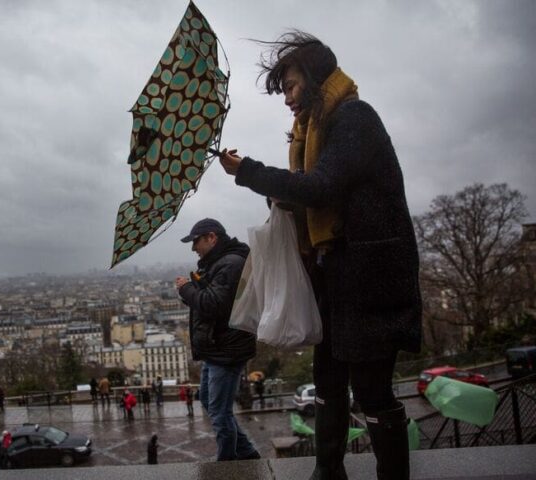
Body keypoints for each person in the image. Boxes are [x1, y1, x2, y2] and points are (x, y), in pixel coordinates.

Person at [218, 31, 421, 480]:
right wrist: (275, 196)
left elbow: (322, 187)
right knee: (328, 379)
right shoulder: (314, 130)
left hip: (372, 276)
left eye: (290, 86)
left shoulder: (353, 118)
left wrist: (249, 172)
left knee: (371, 390)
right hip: (338, 273)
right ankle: (328, 472)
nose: (287, 98)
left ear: (314, 78)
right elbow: (316, 197)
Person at [176, 218, 261, 461]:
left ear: (211, 237)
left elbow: (213, 304)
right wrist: (193, 289)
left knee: (220, 413)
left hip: (226, 349)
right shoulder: (220, 262)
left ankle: (226, 463)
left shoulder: (230, 263)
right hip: (217, 348)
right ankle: (246, 452)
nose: (194, 248)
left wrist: (186, 289)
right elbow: (213, 299)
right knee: (207, 400)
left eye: (196, 242)